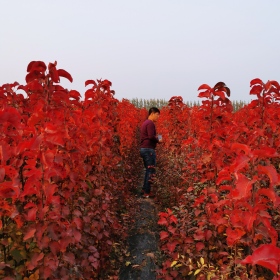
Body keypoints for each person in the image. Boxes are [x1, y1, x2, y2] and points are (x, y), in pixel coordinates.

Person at [140, 107, 162, 198]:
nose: (158, 117)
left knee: (148, 170)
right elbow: (150, 136)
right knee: (151, 170)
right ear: (152, 113)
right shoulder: (150, 123)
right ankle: (147, 192)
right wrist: (158, 140)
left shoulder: (145, 123)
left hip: (144, 149)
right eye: (157, 115)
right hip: (148, 149)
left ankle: (144, 189)